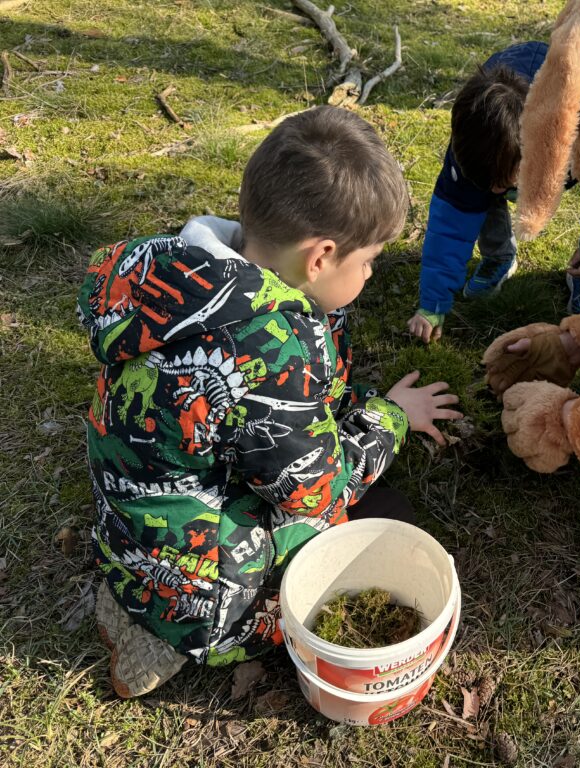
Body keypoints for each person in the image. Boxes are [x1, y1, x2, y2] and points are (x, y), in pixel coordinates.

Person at [77, 106, 461, 697]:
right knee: (388, 519)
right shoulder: (262, 346)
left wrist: (341, 400)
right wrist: (390, 419)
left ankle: (136, 599)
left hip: (131, 526)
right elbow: (317, 487)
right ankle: (168, 637)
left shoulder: (179, 274)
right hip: (204, 594)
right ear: (321, 257)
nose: (370, 278)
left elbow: (291, 406)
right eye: (368, 263)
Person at [406, 41, 580, 343]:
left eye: (504, 182)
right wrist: (432, 304)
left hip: (576, 145)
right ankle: (499, 256)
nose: (495, 189)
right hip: (510, 147)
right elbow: (450, 225)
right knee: (472, 197)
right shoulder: (475, 140)